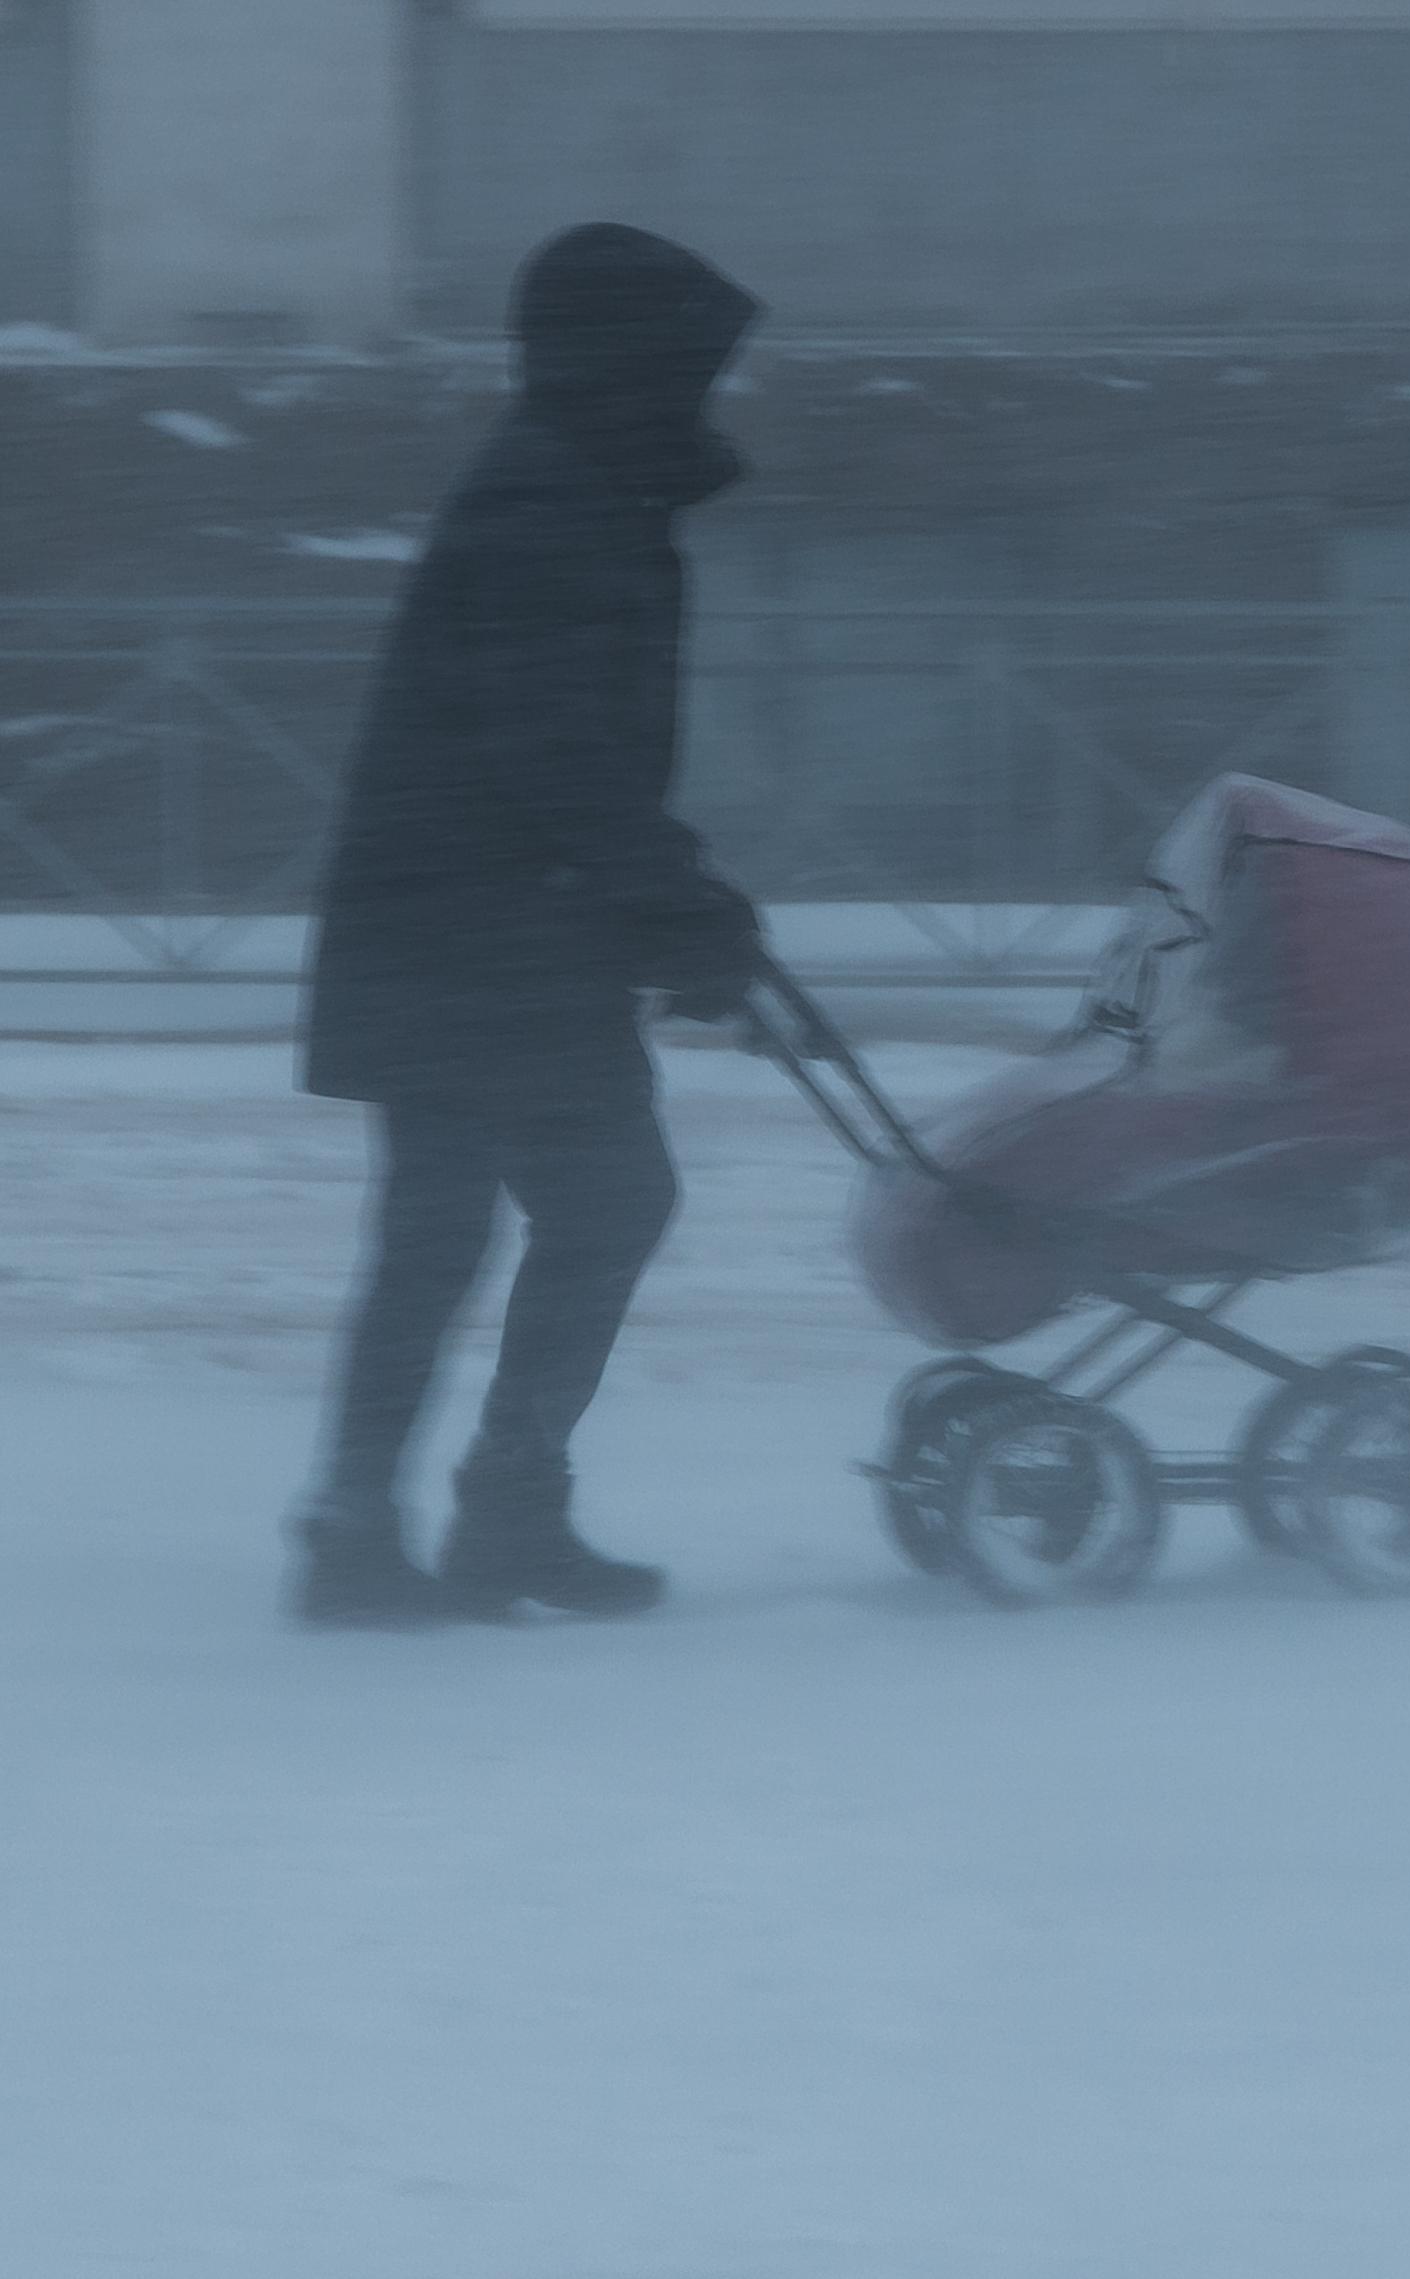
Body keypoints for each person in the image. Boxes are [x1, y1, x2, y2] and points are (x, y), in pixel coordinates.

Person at [287, 224, 769, 1629]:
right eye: (688, 361)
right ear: (626, 361)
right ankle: (464, 1512)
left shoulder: (573, 489)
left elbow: (561, 754)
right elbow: (556, 752)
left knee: (460, 1225)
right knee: (586, 1202)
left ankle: (384, 1517)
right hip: (485, 927)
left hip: (470, 920)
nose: (705, 390)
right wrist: (677, 908)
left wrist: (668, 905)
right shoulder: (554, 508)